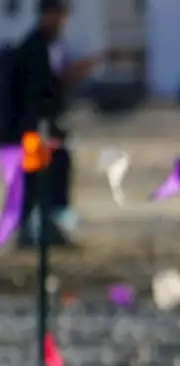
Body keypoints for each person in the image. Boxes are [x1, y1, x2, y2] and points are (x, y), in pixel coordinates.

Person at [2, 0, 104, 249]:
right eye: (59, 15)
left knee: (50, 178)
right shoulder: (34, 48)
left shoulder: (48, 46)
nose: (62, 21)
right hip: (29, 131)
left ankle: (47, 229)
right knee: (33, 182)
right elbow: (37, 92)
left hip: (38, 129)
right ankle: (32, 232)